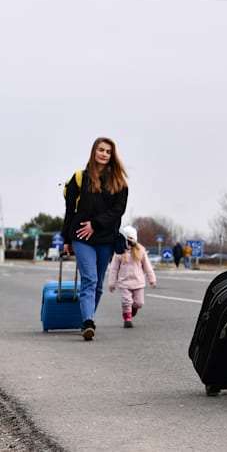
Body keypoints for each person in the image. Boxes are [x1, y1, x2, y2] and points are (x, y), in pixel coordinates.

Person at [62, 137, 129, 341]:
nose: (104, 154)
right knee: (89, 279)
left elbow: (118, 211)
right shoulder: (79, 178)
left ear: (112, 156)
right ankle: (88, 322)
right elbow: (69, 211)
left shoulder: (119, 183)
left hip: (105, 239)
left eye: (108, 152)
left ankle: (87, 317)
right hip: (82, 237)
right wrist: (66, 238)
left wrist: (96, 224)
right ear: (94, 152)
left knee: (98, 284)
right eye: (101, 150)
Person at [108, 225, 156, 328]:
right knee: (126, 301)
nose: (129, 242)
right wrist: (112, 283)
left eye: (131, 239)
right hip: (125, 283)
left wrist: (152, 279)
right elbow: (114, 269)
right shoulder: (119, 253)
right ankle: (127, 318)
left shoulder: (140, 252)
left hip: (138, 282)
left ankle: (133, 309)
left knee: (139, 303)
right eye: (126, 239)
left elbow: (148, 267)